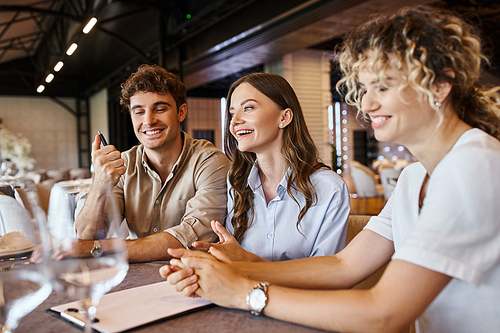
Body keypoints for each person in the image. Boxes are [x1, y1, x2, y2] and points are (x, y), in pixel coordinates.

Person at [161, 6, 500, 332]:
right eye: (365, 88)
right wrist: (238, 267)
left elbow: (384, 315)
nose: (367, 103)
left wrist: (241, 291)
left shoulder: (473, 164)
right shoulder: (414, 177)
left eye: (383, 86)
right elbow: (344, 266)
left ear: (440, 85)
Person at [75, 64, 230, 263]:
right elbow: (86, 237)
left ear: (181, 112)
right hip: (135, 279)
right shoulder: (124, 165)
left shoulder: (210, 162)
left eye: (160, 108)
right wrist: (99, 183)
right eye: (138, 112)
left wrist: (100, 249)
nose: (149, 120)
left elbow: (192, 239)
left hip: (194, 279)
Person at [193, 73, 350, 262]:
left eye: (248, 108)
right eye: (232, 113)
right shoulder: (237, 182)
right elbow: (235, 260)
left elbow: (327, 274)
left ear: (284, 117)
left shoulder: (329, 188)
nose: (234, 122)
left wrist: (249, 261)